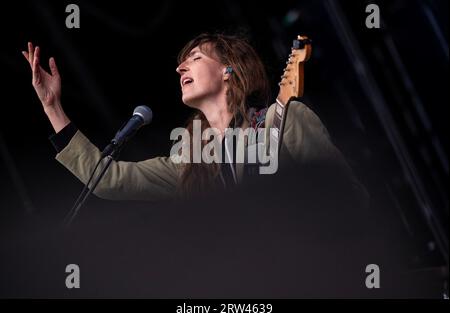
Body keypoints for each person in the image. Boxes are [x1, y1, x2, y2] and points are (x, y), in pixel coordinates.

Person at [22, 33, 368, 204]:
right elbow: (110, 180)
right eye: (181, 62)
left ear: (228, 70)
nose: (179, 67)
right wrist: (53, 107)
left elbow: (348, 197)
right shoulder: (190, 161)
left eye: (195, 58)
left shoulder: (286, 121)